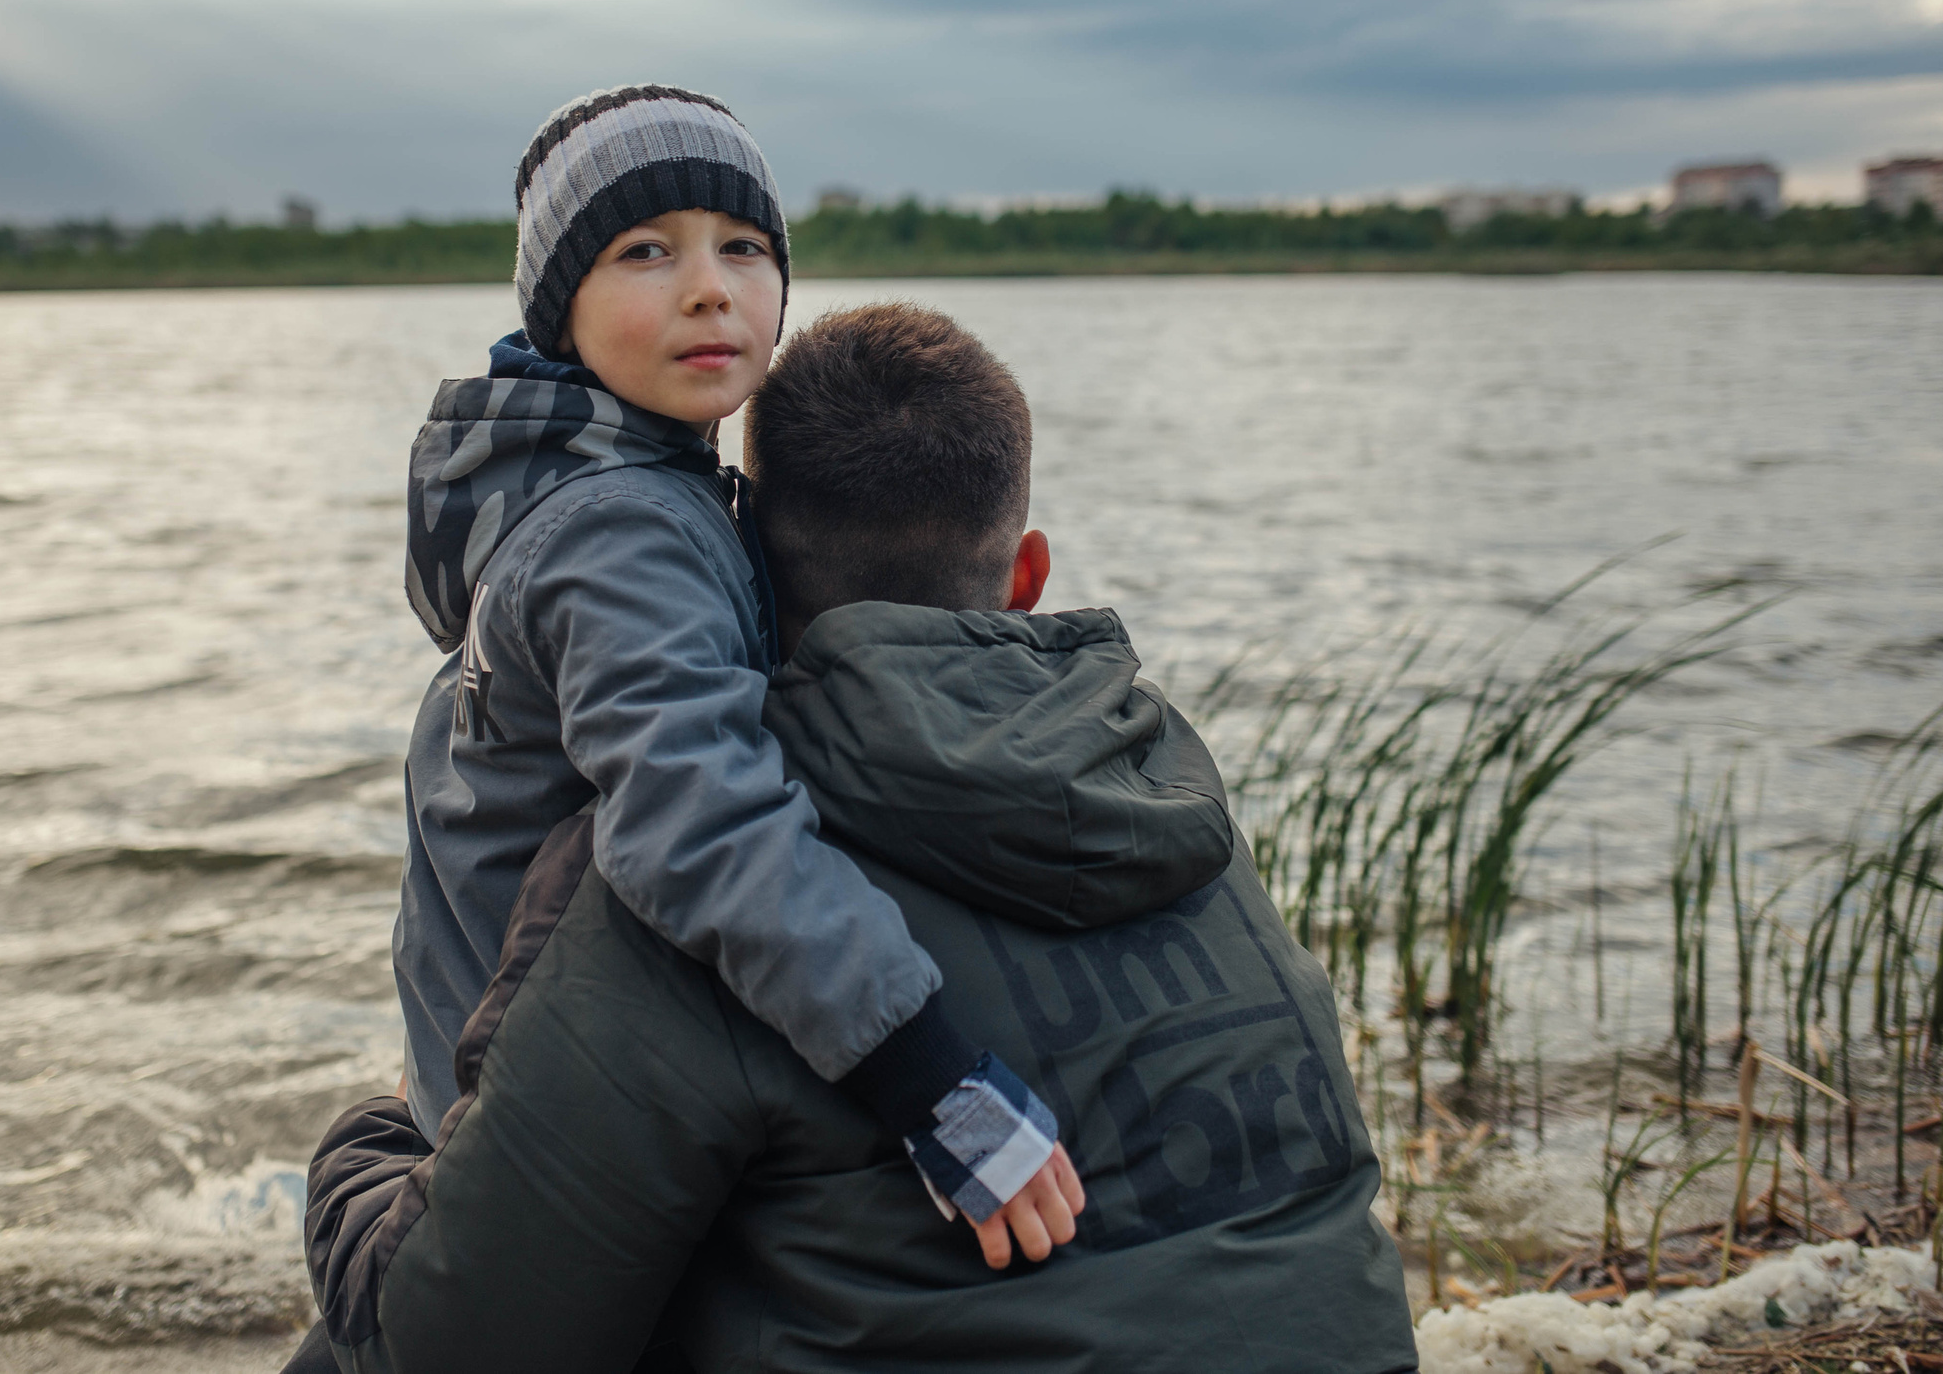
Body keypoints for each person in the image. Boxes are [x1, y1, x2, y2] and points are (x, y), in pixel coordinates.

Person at [302, 303, 1419, 1374]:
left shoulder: (679, 881)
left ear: (742, 565)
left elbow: (450, 1351)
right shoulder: (1174, 793)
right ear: (1025, 575)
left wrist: (370, 1146)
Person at [391, 90, 1070, 1253]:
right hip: (530, 1117)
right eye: (645, 251)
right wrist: (929, 1076)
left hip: (532, 1052)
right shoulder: (619, 534)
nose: (708, 286)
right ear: (561, 310)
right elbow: (696, 818)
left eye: (742, 247)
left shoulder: (639, 487)